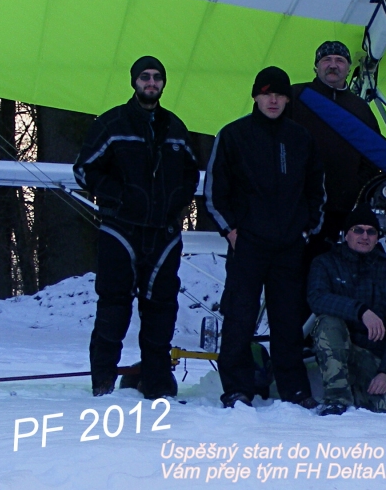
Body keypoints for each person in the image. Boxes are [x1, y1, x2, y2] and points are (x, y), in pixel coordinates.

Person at [74, 55, 199, 399]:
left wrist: (176, 202)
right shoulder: (112, 123)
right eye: (145, 77)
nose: (151, 82)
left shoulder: (176, 127)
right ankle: (102, 382)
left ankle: (157, 384)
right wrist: (119, 196)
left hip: (163, 234)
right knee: (113, 307)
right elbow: (84, 170)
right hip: (120, 230)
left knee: (161, 310)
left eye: (157, 77)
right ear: (134, 82)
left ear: (163, 83)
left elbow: (191, 173)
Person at [204, 66, 325, 409]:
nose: (273, 101)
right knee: (239, 318)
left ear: (287, 100)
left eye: (280, 95)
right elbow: (214, 191)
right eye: (267, 94)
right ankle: (236, 388)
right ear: (256, 96)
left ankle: (294, 390)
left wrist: (307, 230)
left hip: (289, 246)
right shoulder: (233, 135)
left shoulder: (301, 138)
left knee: (288, 321)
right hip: (247, 244)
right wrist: (230, 230)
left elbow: (316, 190)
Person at [307, 204, 386, 416]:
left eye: (371, 231)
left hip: (373, 360)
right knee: (328, 323)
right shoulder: (325, 263)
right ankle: (336, 399)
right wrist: (361, 311)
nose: (364, 236)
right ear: (346, 234)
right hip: (336, 354)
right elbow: (317, 298)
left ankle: (359, 394)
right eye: (358, 230)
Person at [289, 41, 380, 252]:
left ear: (348, 68)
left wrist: (356, 186)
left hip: (341, 207)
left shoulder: (360, 108)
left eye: (339, 60)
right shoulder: (296, 97)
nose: (333, 65)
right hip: (298, 205)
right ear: (316, 66)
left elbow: (373, 154)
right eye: (326, 60)